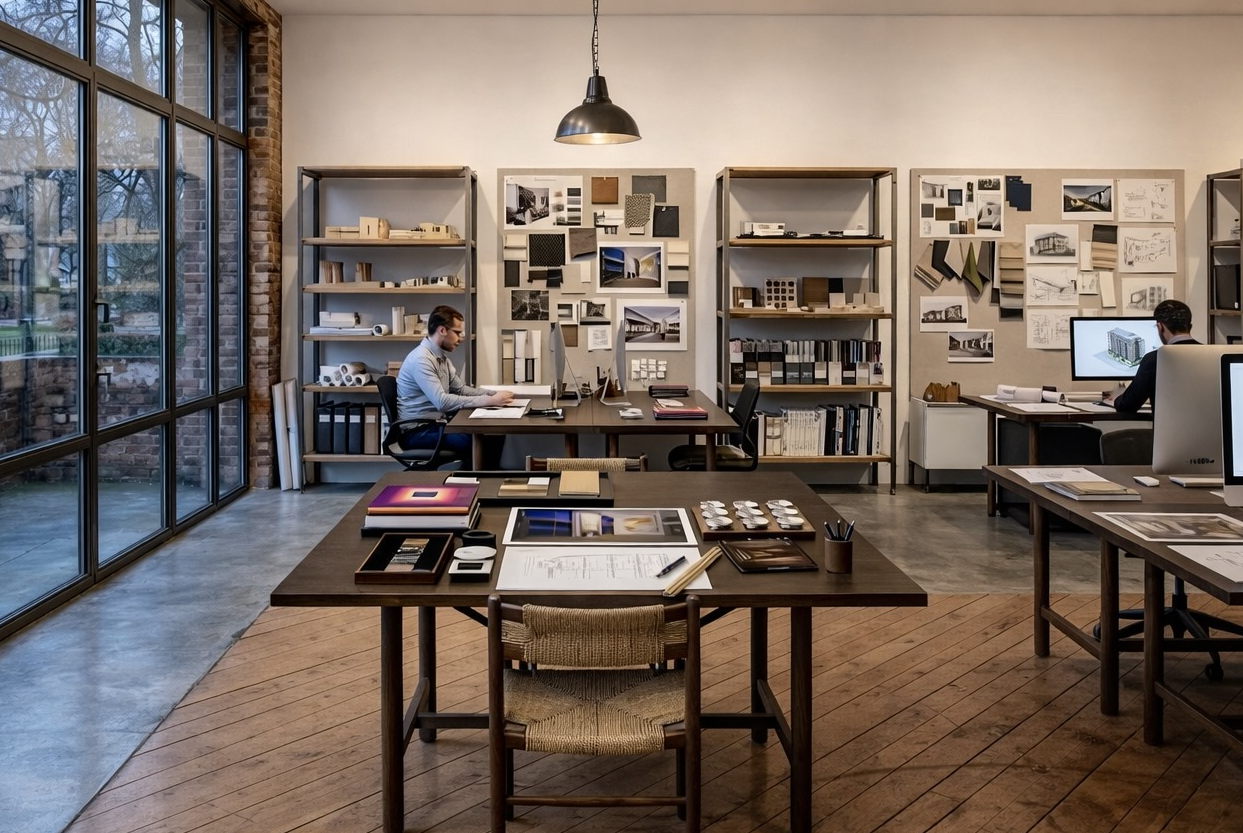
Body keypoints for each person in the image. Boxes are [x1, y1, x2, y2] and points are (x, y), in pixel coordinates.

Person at [396, 304, 513, 465]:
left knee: (494, 433)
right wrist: (488, 401)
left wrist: (494, 395)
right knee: (476, 438)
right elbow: (442, 402)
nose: (461, 338)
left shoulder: (441, 358)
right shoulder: (421, 360)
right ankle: (473, 482)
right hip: (418, 432)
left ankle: (482, 479)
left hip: (436, 425)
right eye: (457, 333)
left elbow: (461, 389)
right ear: (442, 330)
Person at [1105, 299, 1198, 413]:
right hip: (1212, 430)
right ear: (1190, 326)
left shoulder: (1154, 359)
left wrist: (1116, 400)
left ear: (1160, 327)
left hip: (1166, 431)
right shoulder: (1213, 356)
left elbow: (1127, 406)